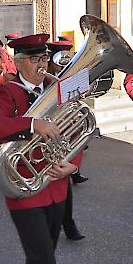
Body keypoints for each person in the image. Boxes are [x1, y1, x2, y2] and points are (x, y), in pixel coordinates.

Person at [0, 34, 79, 264]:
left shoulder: (56, 87)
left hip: (56, 188)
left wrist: (74, 164)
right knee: (43, 263)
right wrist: (33, 125)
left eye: (44, 58)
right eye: (35, 59)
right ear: (19, 62)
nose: (42, 64)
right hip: (24, 188)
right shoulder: (7, 92)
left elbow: (77, 128)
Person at [47, 40, 86, 241]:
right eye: (59, 58)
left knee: (64, 184)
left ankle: (69, 226)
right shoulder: (47, 80)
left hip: (62, 133)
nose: (62, 62)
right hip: (45, 134)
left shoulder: (66, 77)